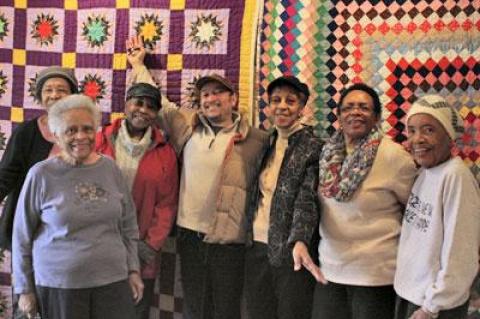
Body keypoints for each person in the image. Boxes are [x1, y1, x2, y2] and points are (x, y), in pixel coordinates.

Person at [126, 35, 268, 319]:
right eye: (205, 95)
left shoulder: (257, 140)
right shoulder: (186, 126)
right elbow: (159, 104)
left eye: (218, 92)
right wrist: (138, 65)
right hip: (190, 237)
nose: (210, 99)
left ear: (233, 99)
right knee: (194, 307)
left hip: (230, 240)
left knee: (227, 309)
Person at [12, 94, 144, 319]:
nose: (81, 136)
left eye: (87, 129)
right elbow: (21, 236)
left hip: (112, 282)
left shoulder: (111, 169)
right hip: (60, 286)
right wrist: (24, 289)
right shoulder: (41, 174)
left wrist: (133, 269)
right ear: (55, 135)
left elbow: (129, 225)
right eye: (71, 130)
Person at [310, 83, 417, 319]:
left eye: (364, 107)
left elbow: (414, 212)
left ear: (377, 117)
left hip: (375, 276)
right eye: (348, 107)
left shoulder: (394, 156)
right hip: (330, 270)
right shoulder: (327, 154)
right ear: (338, 116)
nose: (355, 112)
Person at [0, 66, 78, 319]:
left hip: (65, 238)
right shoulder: (26, 133)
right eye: (48, 90)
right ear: (40, 96)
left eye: (61, 90)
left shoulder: (81, 133)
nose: (54, 95)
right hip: (29, 234)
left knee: (60, 305)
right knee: (26, 304)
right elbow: (5, 177)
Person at [96, 82, 179, 319]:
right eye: (138, 102)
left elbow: (167, 205)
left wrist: (150, 245)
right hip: (99, 246)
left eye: (151, 107)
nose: (143, 110)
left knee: (134, 311)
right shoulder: (100, 139)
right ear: (126, 104)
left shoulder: (165, 152)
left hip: (141, 249)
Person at [394, 95, 480, 319]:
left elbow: (461, 256)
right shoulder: (425, 172)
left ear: (448, 136)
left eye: (429, 130)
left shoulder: (455, 177)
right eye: (411, 131)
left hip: (435, 307)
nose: (417, 139)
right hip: (413, 295)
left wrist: (431, 307)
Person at [244, 76, 323, 319]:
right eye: (276, 100)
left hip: (292, 252)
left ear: (301, 108)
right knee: (258, 312)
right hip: (256, 246)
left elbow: (307, 199)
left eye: (291, 101)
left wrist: (299, 239)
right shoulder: (266, 141)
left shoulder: (314, 146)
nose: (282, 106)